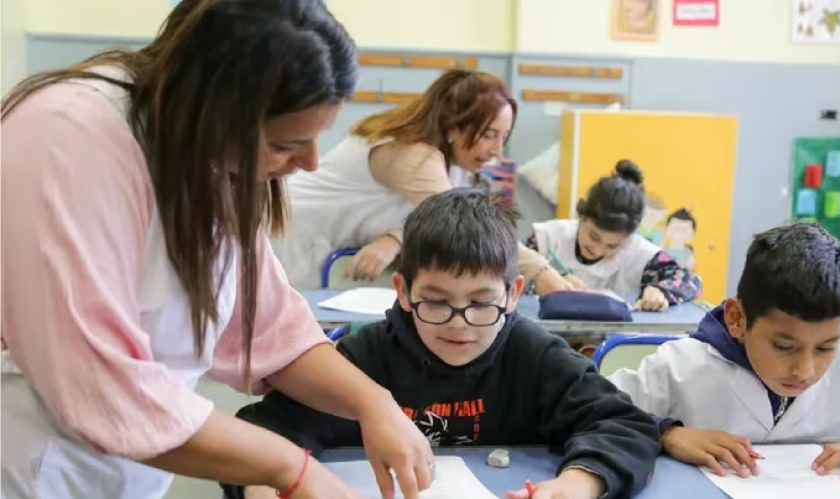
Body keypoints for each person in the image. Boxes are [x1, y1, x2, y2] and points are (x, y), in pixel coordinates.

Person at [0, 2, 436, 498]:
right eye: (283, 143)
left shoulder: (207, 157)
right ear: (212, 110)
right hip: (31, 465)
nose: (311, 163)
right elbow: (96, 382)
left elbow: (268, 329)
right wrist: (292, 469)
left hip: (124, 467)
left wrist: (372, 403)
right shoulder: (67, 139)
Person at [224, 189, 661, 499]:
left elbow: (624, 425)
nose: (460, 324)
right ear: (402, 290)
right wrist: (265, 486)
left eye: (481, 303)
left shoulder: (535, 354)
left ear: (513, 293)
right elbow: (265, 430)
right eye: (435, 302)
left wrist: (578, 485)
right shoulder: (366, 357)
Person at [609, 223, 840, 482]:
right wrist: (668, 433)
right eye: (784, 346)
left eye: (825, 347)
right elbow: (594, 409)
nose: (805, 369)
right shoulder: (681, 366)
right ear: (737, 319)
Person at [271, 69, 576, 295]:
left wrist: (394, 238)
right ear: (453, 126)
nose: (497, 151)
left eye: (503, 137)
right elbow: (462, 223)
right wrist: (541, 272)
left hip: (328, 251)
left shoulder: (454, 160)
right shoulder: (412, 154)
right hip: (292, 237)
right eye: (489, 135)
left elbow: (449, 216)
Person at [526, 160, 702, 311]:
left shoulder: (643, 256)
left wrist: (660, 291)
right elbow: (509, 276)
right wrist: (543, 279)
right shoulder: (546, 238)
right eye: (594, 236)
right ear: (582, 214)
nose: (598, 249)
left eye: (613, 246)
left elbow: (690, 282)